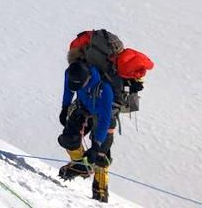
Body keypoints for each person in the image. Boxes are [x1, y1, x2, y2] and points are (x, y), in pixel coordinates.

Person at [56, 30, 152, 203]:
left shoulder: (104, 88)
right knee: (68, 139)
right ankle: (82, 167)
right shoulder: (73, 71)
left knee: (100, 154)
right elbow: (68, 88)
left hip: (103, 112)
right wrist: (64, 107)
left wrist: (97, 144)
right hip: (84, 107)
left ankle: (100, 191)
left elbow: (105, 119)